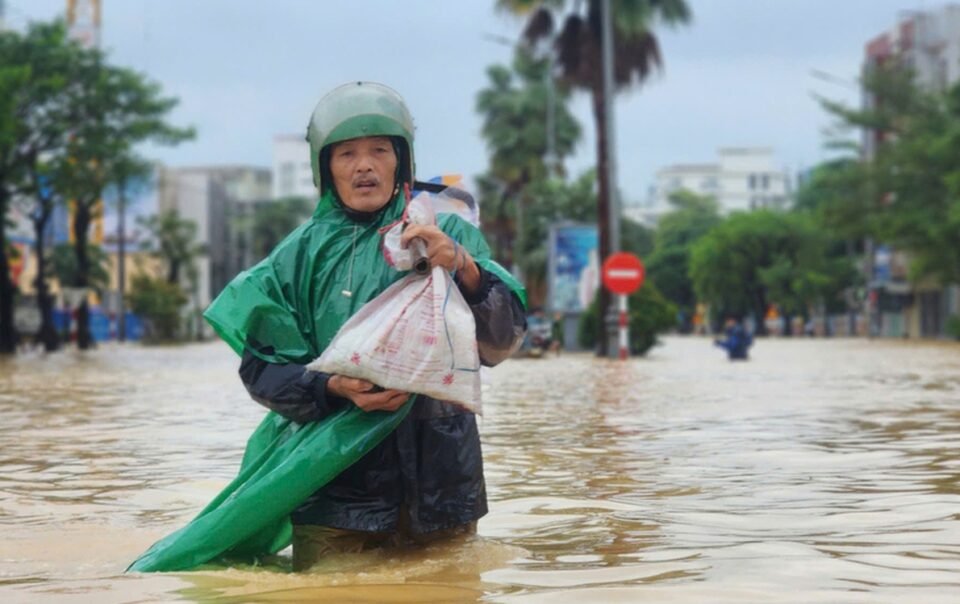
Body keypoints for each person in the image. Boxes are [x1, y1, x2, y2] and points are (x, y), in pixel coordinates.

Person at [205, 82, 527, 571]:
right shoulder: (295, 260)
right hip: (335, 498)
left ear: (401, 161)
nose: (364, 166)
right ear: (325, 167)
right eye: (347, 154)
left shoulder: (452, 237)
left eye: (379, 150)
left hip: (444, 489)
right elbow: (263, 374)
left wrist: (464, 267)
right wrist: (332, 386)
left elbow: (500, 343)